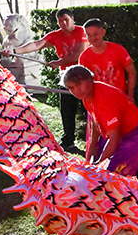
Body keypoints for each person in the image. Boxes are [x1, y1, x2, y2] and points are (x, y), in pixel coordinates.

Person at [8, 8, 87, 152]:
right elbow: (37, 44)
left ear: (72, 19)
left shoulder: (81, 31)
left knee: (89, 110)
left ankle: (96, 141)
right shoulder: (55, 35)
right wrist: (14, 51)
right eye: (60, 21)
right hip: (67, 77)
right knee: (67, 110)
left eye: (66, 20)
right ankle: (68, 142)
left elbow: (79, 54)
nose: (63, 23)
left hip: (85, 76)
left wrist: (59, 62)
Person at [63, 65, 138, 176]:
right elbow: (96, 121)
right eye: (71, 87)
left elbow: (113, 139)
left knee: (111, 173)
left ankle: (131, 167)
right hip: (118, 132)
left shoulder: (104, 98)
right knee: (98, 165)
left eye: (79, 84)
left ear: (91, 79)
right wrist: (92, 145)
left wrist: (99, 166)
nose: (76, 90)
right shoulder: (86, 96)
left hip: (137, 134)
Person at [78, 18, 136, 99]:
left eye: (96, 34)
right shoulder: (84, 57)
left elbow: (131, 72)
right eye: (89, 35)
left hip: (119, 98)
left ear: (103, 32)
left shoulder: (117, 50)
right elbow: (83, 82)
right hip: (97, 100)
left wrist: (130, 95)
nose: (93, 38)